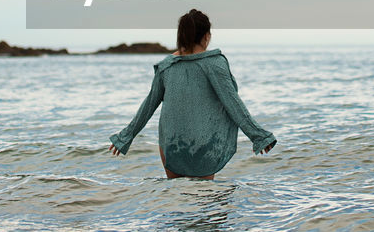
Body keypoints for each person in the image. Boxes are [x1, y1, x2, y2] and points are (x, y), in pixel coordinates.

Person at [108, 9, 276, 179]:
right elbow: (233, 104)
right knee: (206, 200)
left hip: (172, 145)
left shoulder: (166, 66)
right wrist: (259, 136)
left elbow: (148, 105)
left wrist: (125, 137)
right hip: (203, 145)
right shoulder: (214, 64)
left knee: (179, 199)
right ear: (206, 36)